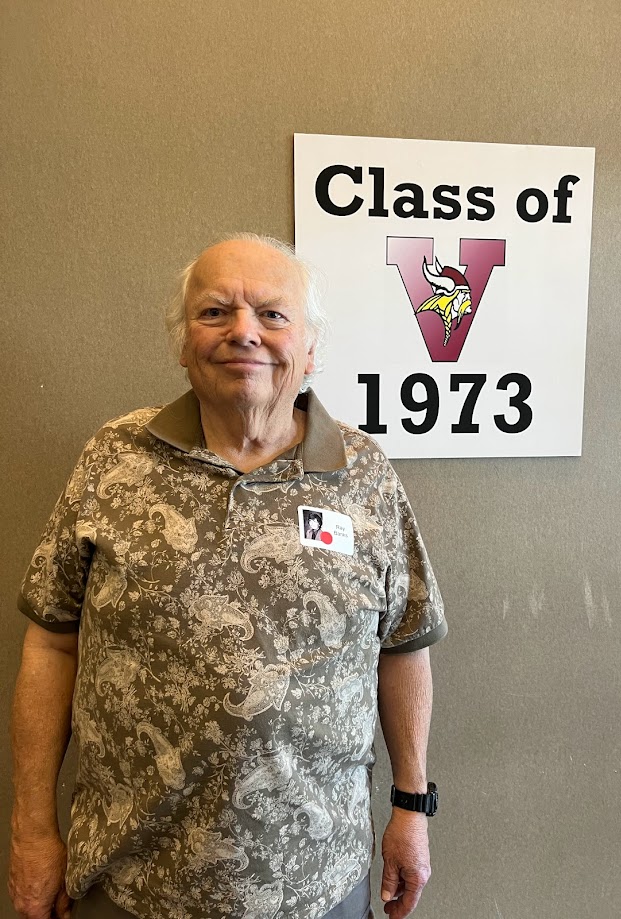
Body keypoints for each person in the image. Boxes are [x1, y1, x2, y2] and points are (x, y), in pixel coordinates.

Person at [9, 234, 446, 919]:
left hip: (316, 879)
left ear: (310, 348)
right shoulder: (115, 460)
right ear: (183, 344)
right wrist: (32, 829)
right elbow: (51, 643)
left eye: (272, 314)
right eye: (215, 312)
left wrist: (411, 807)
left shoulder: (364, 476)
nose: (243, 332)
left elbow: (404, 645)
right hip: (131, 881)